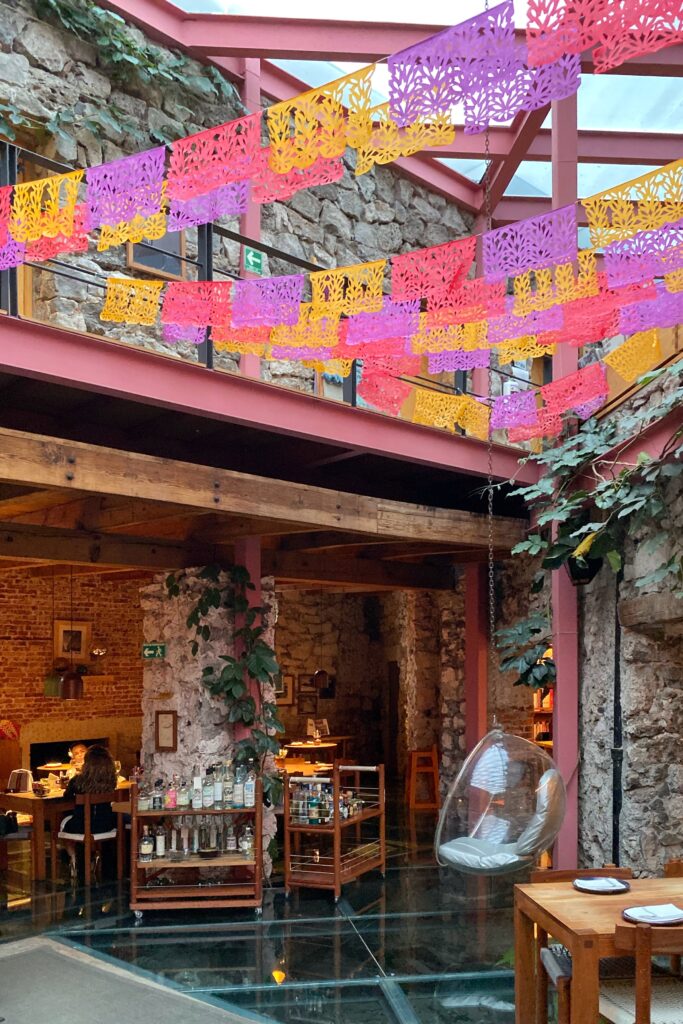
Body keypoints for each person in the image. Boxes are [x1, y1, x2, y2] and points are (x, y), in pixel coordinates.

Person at [59, 745, 118, 878]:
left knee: (63, 820)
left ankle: (73, 858)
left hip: (81, 826)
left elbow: (66, 799)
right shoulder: (112, 781)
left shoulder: (77, 781)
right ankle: (96, 859)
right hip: (106, 825)